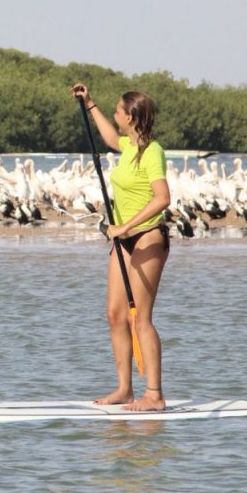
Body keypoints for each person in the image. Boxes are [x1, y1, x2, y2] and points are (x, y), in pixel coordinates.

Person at [70, 83, 171, 411]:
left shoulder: (151, 151)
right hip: (123, 240)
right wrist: (90, 105)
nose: (115, 116)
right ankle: (125, 389)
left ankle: (154, 395)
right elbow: (111, 138)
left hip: (147, 237)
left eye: (117, 112)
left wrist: (125, 226)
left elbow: (163, 198)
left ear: (131, 117)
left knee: (140, 317)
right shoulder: (127, 145)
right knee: (115, 314)